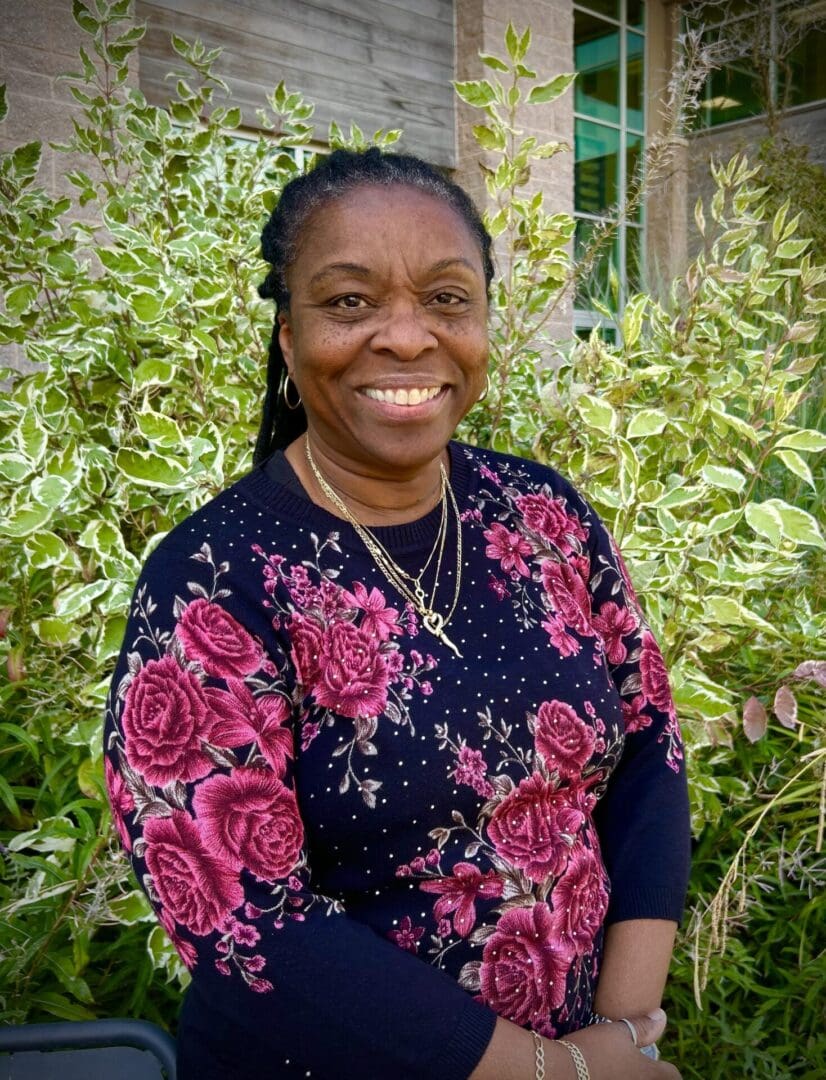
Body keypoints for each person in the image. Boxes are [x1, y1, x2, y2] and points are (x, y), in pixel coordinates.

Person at [104, 148, 690, 1080]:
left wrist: (621, 1030)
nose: (408, 338)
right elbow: (250, 925)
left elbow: (650, 737)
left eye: (448, 299)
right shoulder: (210, 583)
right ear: (289, 339)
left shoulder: (543, 514)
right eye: (349, 303)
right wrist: (555, 1074)